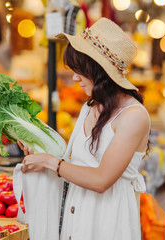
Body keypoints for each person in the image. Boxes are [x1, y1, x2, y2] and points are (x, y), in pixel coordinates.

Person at [18, 18, 151, 240]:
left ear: (100, 71)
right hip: (76, 219)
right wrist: (39, 155)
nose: (74, 77)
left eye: (80, 70)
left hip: (108, 223)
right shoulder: (89, 106)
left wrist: (50, 162)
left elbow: (101, 180)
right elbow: (75, 165)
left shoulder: (133, 116)